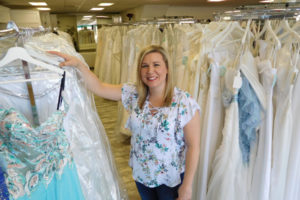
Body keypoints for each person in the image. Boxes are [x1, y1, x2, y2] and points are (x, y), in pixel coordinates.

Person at [49, 45, 201, 200]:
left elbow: (193, 146)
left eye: (156, 65)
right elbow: (99, 87)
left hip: (170, 180)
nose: (150, 71)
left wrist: (187, 187)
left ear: (167, 68)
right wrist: (79, 65)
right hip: (142, 176)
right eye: (144, 66)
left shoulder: (184, 102)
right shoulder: (134, 94)